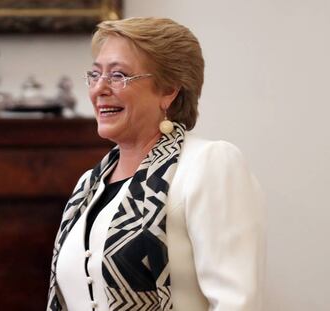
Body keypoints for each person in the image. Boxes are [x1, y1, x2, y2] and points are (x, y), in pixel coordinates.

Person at [47, 17, 265, 311]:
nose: (99, 88)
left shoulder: (209, 164)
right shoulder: (88, 185)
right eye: (95, 75)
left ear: (169, 90)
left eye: (118, 75)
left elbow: (237, 303)